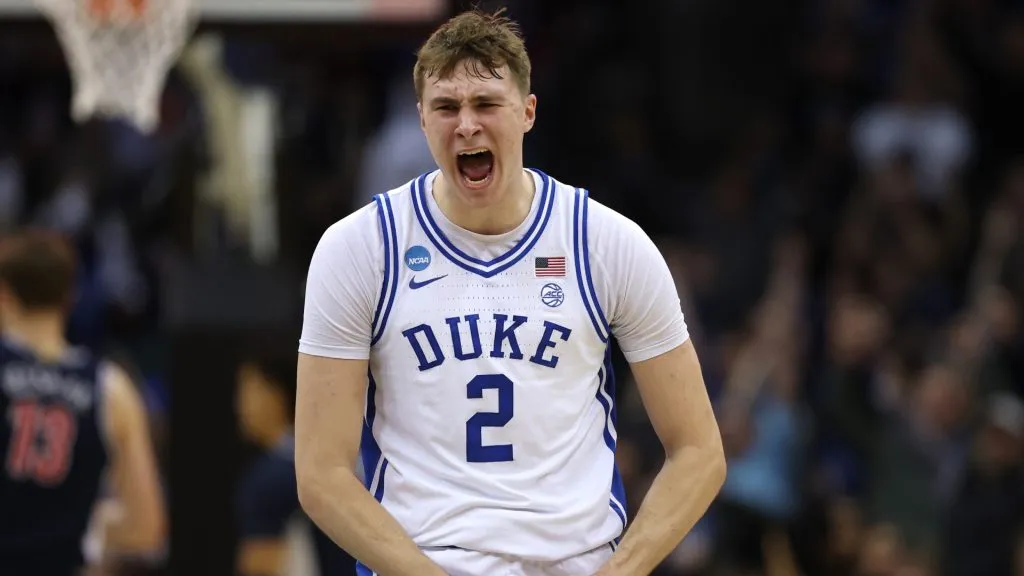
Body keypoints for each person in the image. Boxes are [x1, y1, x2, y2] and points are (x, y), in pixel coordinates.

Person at [295, 8, 726, 576]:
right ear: (422, 120)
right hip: (426, 562)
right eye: (446, 107)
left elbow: (699, 452)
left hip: (573, 561)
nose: (466, 124)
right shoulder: (359, 248)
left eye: (486, 104)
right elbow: (321, 473)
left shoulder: (606, 243)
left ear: (527, 113)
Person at [0, 230, 166, 575]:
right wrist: (92, 528)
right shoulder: (111, 387)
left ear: (4, 295)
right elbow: (146, 527)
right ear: (70, 297)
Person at [234, 336, 357, 576]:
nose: (239, 405)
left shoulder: (271, 479)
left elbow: (261, 566)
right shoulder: (339, 465)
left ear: (275, 395)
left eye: (248, 389)